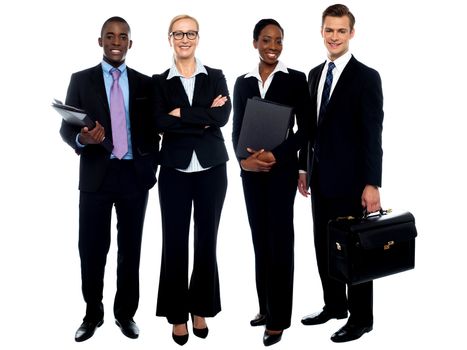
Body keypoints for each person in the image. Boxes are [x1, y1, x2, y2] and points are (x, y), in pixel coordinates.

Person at [59, 16, 158, 342]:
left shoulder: (145, 83)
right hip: (95, 176)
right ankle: (92, 313)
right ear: (100, 41)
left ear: (130, 43)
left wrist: (150, 167)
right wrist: (82, 140)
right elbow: (66, 128)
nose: (116, 41)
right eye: (110, 36)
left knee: (131, 249)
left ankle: (125, 314)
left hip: (133, 176)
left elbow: (154, 131)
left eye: (122, 36)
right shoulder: (81, 80)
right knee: (91, 247)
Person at [298, 4, 384, 343]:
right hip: (319, 178)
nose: (334, 36)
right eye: (329, 30)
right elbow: (309, 129)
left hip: (352, 182)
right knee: (323, 244)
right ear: (322, 32)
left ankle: (361, 318)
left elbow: (371, 135)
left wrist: (372, 183)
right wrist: (303, 166)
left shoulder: (366, 77)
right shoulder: (315, 75)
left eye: (341, 30)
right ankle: (334, 305)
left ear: (351, 33)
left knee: (356, 249)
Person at [232, 19, 313, 347]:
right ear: (255, 43)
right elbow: (236, 128)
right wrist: (243, 160)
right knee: (259, 240)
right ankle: (266, 307)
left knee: (280, 241)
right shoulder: (242, 82)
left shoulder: (295, 79)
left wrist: (278, 155)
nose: (273, 46)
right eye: (266, 39)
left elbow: (306, 129)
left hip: (280, 174)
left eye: (279, 40)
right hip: (250, 175)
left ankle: (279, 319)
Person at [151, 14, 231, 346]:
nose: (185, 39)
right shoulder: (159, 82)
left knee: (206, 241)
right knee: (174, 242)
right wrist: (203, 117)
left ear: (198, 37)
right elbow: (157, 121)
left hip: (212, 169)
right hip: (173, 171)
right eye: (178, 34)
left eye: (191, 33)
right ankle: (177, 314)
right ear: (169, 38)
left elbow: (222, 117)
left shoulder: (216, 76)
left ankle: (201, 308)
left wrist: (180, 114)